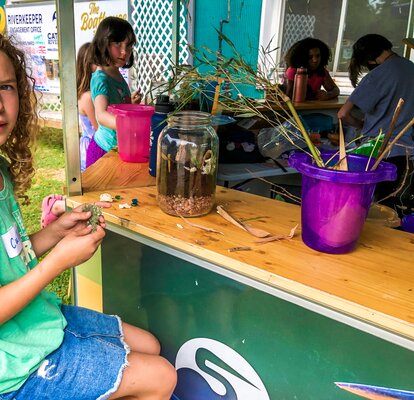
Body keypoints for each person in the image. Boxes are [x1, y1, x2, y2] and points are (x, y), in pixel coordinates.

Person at [0, 34, 176, 400]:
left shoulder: (0, 171)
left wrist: (56, 235)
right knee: (161, 378)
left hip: (36, 322)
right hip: (14, 368)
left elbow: (10, 256)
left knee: (150, 344)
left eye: (5, 87)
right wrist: (57, 265)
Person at [337, 34, 414, 216]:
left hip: (377, 152)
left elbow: (343, 114)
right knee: (395, 210)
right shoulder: (411, 68)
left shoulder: (378, 75)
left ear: (369, 59)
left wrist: (360, 124)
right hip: (407, 153)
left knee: (371, 208)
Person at [40, 43, 98, 229]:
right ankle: (55, 206)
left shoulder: (92, 93)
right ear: (89, 64)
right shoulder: (88, 96)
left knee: (88, 194)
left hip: (92, 146)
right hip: (91, 148)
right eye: (100, 62)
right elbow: (99, 128)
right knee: (88, 195)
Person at [86, 17, 142, 168]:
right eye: (117, 43)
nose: (125, 52)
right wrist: (128, 124)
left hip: (119, 148)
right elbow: (102, 115)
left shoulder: (116, 74)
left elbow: (118, 108)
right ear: (103, 43)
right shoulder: (101, 78)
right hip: (103, 151)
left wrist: (131, 104)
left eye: (129, 45)